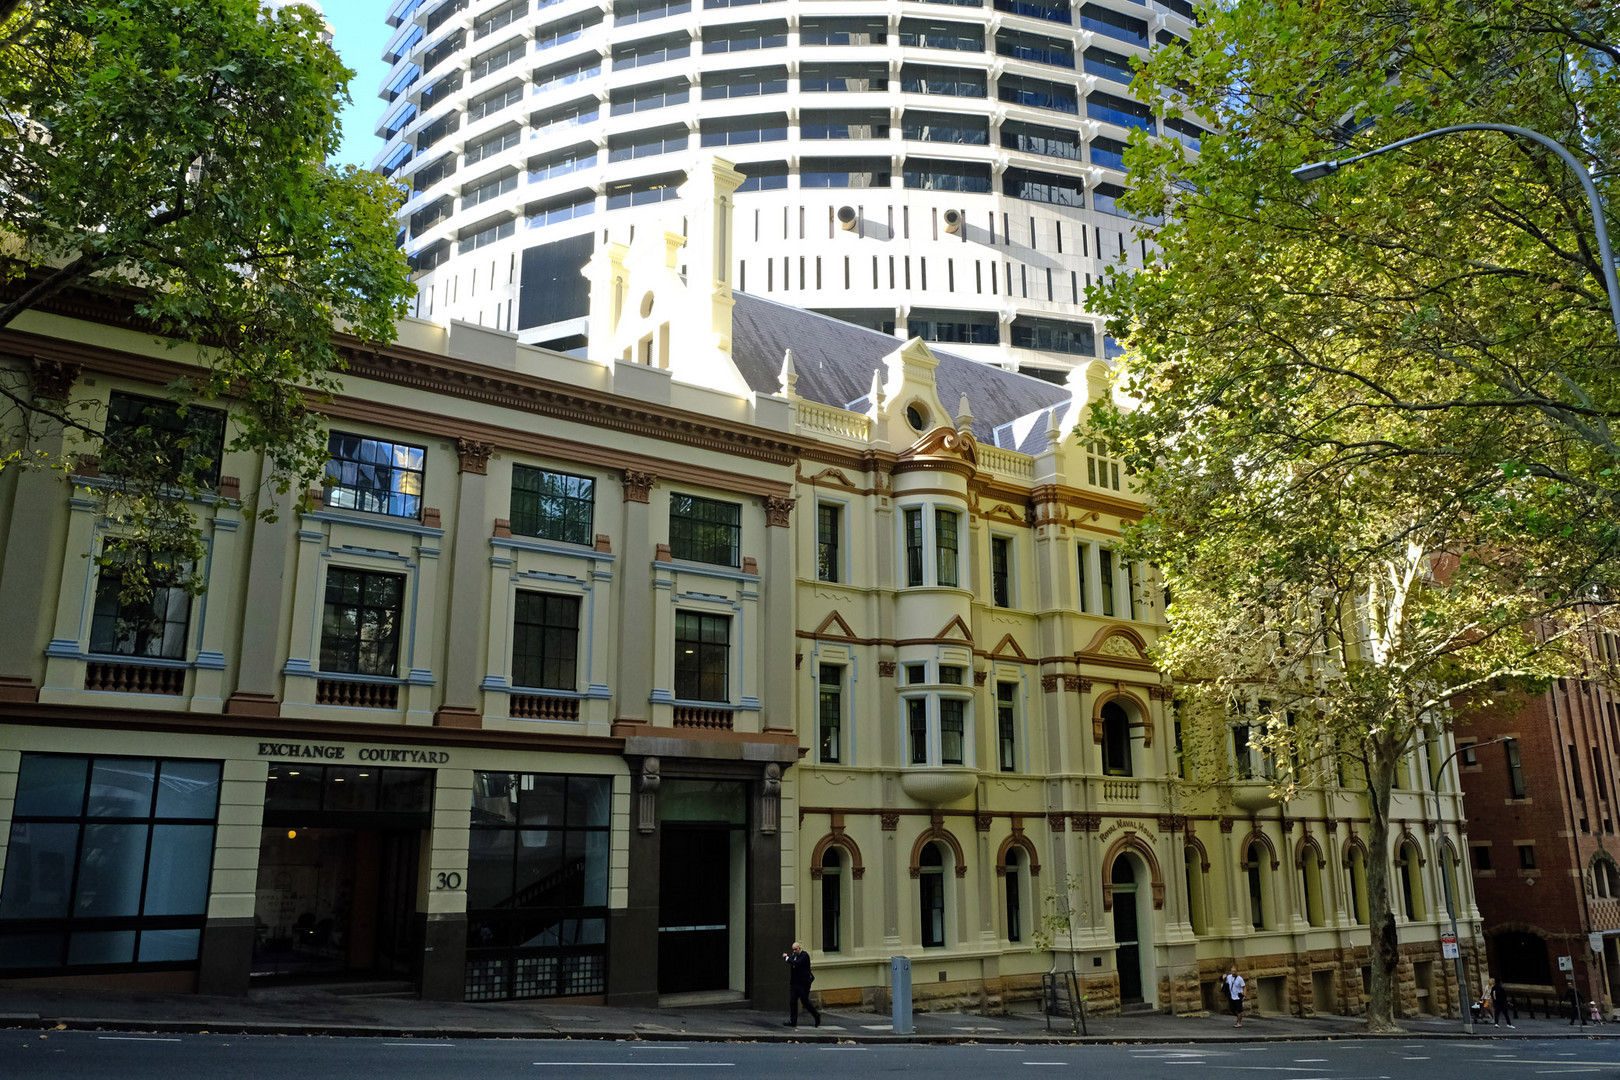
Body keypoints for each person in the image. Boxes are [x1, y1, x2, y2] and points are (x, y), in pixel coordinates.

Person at [783, 941, 820, 1027]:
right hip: (795, 983)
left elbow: (797, 964)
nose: (794, 951)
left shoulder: (804, 956)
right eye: (793, 949)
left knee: (805, 1001)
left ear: (799, 949)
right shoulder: (795, 956)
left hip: (804, 984)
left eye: (795, 949)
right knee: (792, 1001)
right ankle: (793, 1021)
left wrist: (787, 958)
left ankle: (816, 1015)